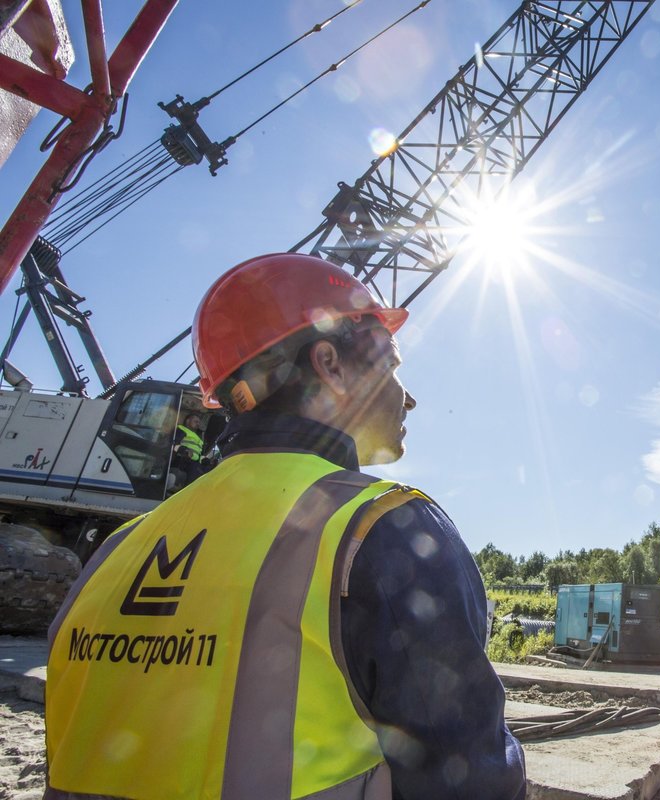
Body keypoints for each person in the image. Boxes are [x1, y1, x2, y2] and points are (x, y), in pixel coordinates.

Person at [42, 253, 526, 799]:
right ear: (330, 364)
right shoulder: (382, 528)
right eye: (390, 364)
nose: (407, 394)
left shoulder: (118, 550)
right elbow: (468, 780)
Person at [171, 412, 205, 486]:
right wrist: (184, 450)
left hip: (195, 463)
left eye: (199, 422)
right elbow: (172, 444)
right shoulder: (181, 430)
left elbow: (199, 451)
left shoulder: (198, 437)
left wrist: (205, 460)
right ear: (188, 421)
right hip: (182, 461)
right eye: (196, 421)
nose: (198, 424)